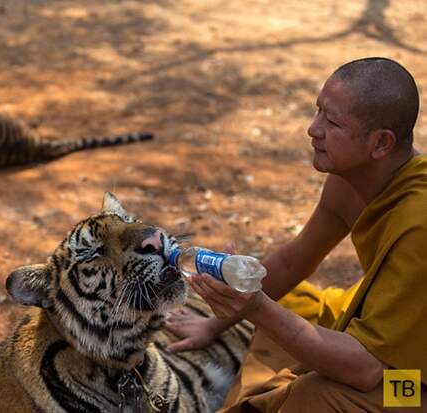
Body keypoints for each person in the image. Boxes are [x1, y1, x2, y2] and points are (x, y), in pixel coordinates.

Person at [166, 57, 427, 412]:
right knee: (289, 301)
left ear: (380, 143)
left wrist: (255, 307)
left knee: (316, 396)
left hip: (413, 381)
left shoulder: (418, 223)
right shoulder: (351, 179)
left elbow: (366, 371)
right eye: (318, 110)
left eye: (331, 121)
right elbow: (293, 260)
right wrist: (215, 324)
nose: (312, 129)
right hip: (389, 330)